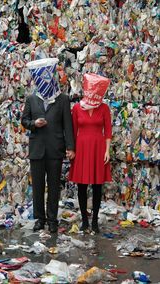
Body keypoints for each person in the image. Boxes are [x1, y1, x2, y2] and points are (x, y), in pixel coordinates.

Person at [21, 58, 75, 233]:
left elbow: (68, 125)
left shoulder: (62, 99)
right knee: (37, 186)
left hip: (55, 148)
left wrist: (70, 147)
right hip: (37, 149)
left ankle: (52, 220)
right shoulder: (31, 99)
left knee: (53, 186)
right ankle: (39, 219)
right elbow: (24, 120)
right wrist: (34, 123)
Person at [69, 73, 112, 234]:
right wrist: (71, 149)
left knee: (97, 186)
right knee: (82, 185)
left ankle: (94, 221)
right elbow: (73, 132)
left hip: (99, 148)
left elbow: (108, 131)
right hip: (82, 148)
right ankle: (84, 220)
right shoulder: (77, 108)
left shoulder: (104, 108)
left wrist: (107, 150)